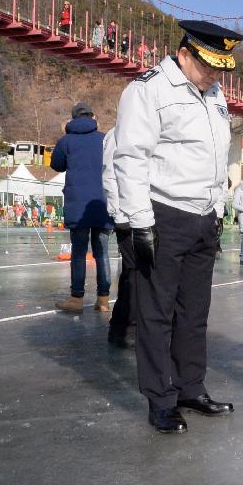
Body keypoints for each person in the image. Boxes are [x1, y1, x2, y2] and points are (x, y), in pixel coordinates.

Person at [113, 20, 242, 434]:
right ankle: (161, 399)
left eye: (220, 68)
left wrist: (218, 211)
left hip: (204, 219)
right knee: (156, 314)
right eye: (208, 66)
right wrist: (141, 224)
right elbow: (130, 158)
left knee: (194, 313)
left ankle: (190, 387)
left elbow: (217, 158)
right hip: (163, 214)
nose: (214, 75)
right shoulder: (147, 90)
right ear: (185, 53)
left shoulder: (215, 94)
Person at [50, 102, 114, 313]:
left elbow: (57, 165)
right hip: (102, 202)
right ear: (93, 117)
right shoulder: (105, 138)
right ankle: (103, 301)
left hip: (77, 204)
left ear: (72, 119)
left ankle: (76, 299)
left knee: (78, 253)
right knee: (102, 253)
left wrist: (65, 137)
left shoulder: (66, 140)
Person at [101, 127, 135, 348]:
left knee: (136, 274)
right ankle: (124, 328)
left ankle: (122, 326)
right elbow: (110, 173)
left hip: (147, 212)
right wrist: (117, 212)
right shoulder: (118, 132)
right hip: (129, 213)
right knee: (134, 273)